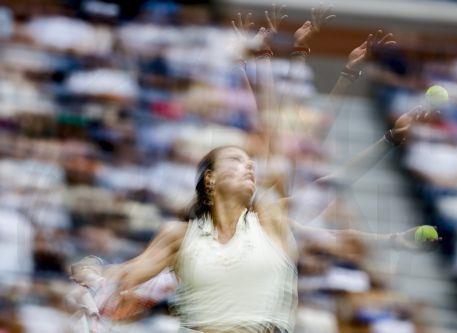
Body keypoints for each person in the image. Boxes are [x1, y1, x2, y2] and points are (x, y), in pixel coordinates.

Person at [69, 6, 437, 333]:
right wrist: (92, 274)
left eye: (249, 163)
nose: (248, 167)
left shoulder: (271, 219)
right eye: (235, 160)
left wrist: (388, 140)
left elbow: (317, 173)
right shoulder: (179, 236)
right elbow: (129, 273)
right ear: (209, 178)